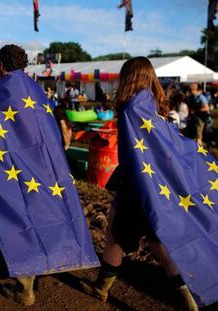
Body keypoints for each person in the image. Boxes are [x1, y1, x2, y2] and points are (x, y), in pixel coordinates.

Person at [79, 57, 218, 310]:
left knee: (115, 237)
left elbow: (141, 153)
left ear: (129, 76)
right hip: (153, 189)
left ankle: (101, 288)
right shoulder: (152, 104)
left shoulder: (132, 107)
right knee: (158, 240)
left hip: (137, 187)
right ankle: (188, 301)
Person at [0, 44, 99, 306]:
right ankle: (50, 261)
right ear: (24, 64)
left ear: (1, 65)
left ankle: (25, 288)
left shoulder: (0, 91)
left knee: (18, 216)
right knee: (46, 212)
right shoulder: (37, 91)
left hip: (14, 167)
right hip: (46, 166)